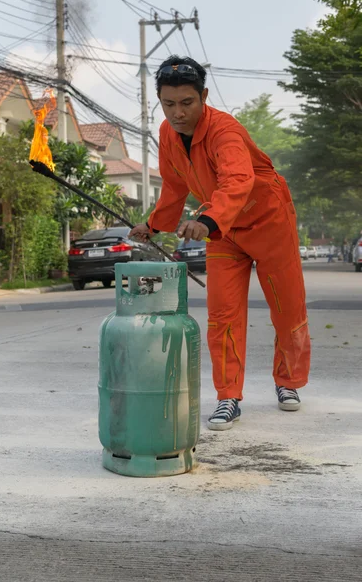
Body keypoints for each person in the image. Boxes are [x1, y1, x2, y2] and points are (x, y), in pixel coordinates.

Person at [129, 56, 311, 431]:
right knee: (223, 314)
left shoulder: (224, 130)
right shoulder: (167, 134)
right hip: (223, 230)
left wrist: (207, 220)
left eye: (187, 103)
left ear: (204, 96)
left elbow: (238, 180)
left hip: (267, 219)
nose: (178, 113)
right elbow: (176, 185)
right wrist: (153, 225)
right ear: (160, 102)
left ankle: (288, 382)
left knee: (287, 307)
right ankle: (228, 396)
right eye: (169, 104)